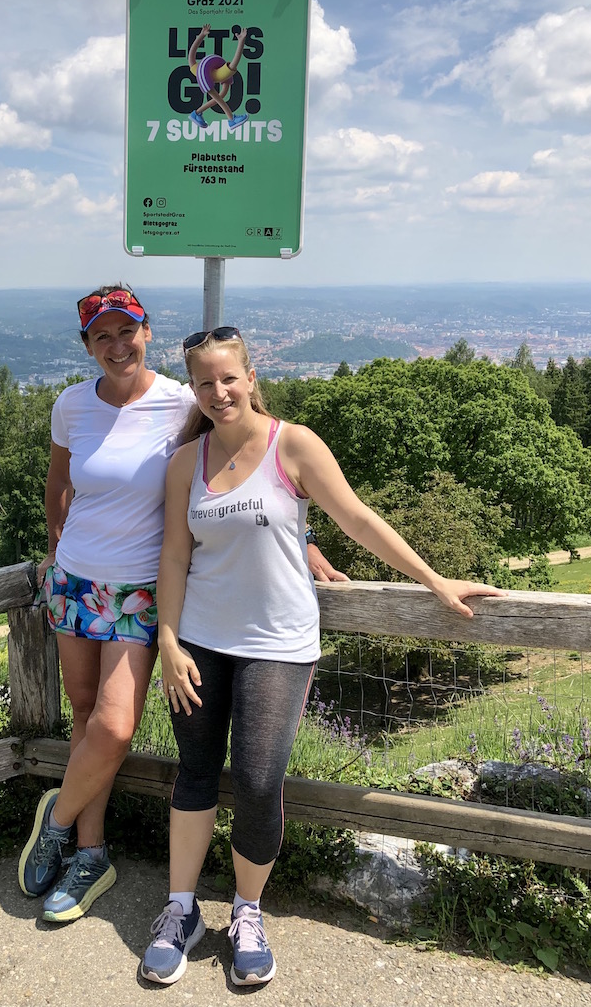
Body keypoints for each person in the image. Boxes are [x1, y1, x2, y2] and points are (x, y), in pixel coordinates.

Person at [140, 326, 507, 986]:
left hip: (278, 642)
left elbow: (358, 519)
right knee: (194, 772)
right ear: (191, 388)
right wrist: (167, 638)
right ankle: (180, 910)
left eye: (229, 377)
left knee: (255, 780)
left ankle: (247, 912)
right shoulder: (184, 462)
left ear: (252, 376)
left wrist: (436, 580)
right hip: (198, 638)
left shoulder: (294, 444)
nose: (218, 391)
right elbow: (174, 553)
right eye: (204, 381)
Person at [18, 290, 345, 925]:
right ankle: (91, 854)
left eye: (127, 332)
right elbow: (59, 486)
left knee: (112, 727)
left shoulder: (180, 400)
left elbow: (241, 467)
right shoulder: (71, 405)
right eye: (102, 336)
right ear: (87, 346)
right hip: (76, 584)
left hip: (141, 590)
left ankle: (54, 821)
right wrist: (54, 553)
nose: (117, 346)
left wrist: (299, 540)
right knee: (85, 718)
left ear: (146, 333)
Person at [188, 23, 249, 130]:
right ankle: (231, 119)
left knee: (223, 93)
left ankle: (196, 113)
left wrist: (202, 36)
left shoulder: (224, 71)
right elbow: (191, 59)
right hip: (203, 70)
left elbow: (191, 59)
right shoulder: (227, 69)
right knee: (217, 96)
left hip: (212, 67)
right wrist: (241, 42)